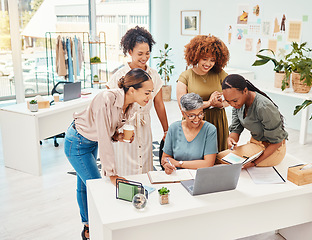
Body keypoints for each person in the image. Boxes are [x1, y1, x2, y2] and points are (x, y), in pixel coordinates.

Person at [64, 68, 153, 240]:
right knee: (97, 185)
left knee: (85, 185)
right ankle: (96, 228)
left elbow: (107, 130)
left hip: (90, 141)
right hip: (77, 142)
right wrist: (112, 174)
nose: (149, 97)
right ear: (132, 89)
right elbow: (103, 137)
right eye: (147, 92)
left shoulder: (131, 105)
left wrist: (117, 136)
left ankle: (88, 227)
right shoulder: (106, 99)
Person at [106, 26, 168, 176]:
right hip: (124, 124)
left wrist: (166, 130)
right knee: (124, 162)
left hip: (144, 123)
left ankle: (143, 191)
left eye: (147, 53)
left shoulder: (154, 74)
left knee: (145, 162)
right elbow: (108, 103)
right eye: (140, 53)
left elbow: (159, 103)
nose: (144, 57)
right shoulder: (120, 75)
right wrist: (113, 130)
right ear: (130, 52)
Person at [176, 34, 230, 152]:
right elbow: (183, 105)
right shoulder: (186, 76)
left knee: (218, 157)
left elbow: (231, 98)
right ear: (196, 56)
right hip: (194, 121)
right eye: (204, 59)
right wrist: (209, 103)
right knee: (195, 155)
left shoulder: (220, 74)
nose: (208, 64)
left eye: (212, 60)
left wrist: (221, 104)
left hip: (217, 120)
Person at [222, 74, 288, 168]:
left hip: (272, 150)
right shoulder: (238, 104)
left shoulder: (263, 107)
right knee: (221, 158)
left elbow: (277, 142)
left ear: (245, 91)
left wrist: (254, 163)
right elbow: (236, 129)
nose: (232, 104)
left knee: (227, 162)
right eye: (228, 101)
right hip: (256, 144)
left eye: (234, 101)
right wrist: (231, 139)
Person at [161, 93, 218, 175]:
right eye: (192, 116)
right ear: (183, 114)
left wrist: (178, 163)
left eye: (200, 114)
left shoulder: (210, 130)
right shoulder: (173, 128)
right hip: (177, 175)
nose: (197, 119)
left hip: (200, 176)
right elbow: (165, 158)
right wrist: (167, 166)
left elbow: (208, 164)